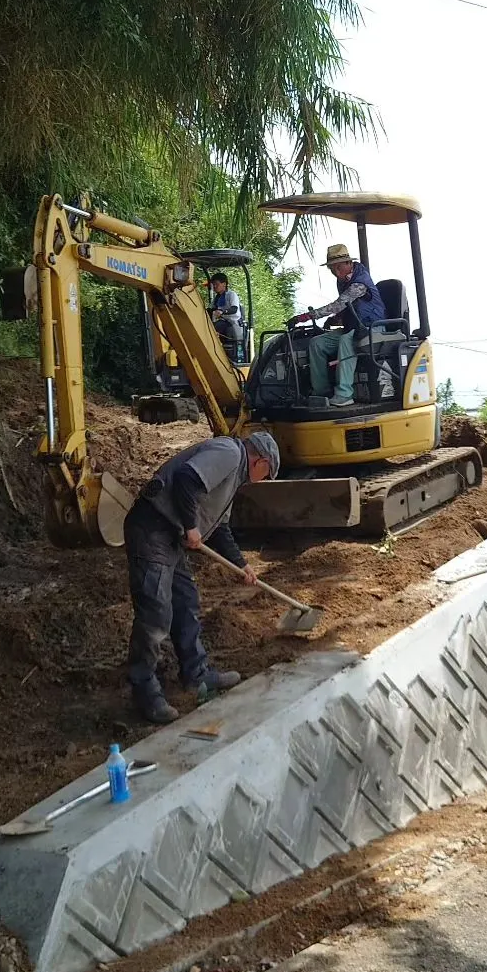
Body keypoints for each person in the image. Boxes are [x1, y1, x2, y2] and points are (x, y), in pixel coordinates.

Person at [123, 431, 281, 724]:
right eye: (267, 474)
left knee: (186, 601)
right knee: (156, 614)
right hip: (153, 527)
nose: (263, 480)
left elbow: (220, 528)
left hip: (170, 534)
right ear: (261, 461)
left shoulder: (233, 479)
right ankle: (145, 692)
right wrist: (191, 525)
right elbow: (186, 479)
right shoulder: (229, 454)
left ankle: (197, 676)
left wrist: (242, 564)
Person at [286, 244, 387, 408]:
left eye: (339, 267)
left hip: (373, 327)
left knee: (346, 340)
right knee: (317, 343)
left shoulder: (360, 282)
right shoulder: (343, 281)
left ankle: (344, 394)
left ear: (348, 263)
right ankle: (322, 391)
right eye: (332, 269)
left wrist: (304, 317)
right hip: (355, 327)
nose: (336, 272)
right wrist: (333, 320)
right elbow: (347, 309)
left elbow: (339, 305)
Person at [208, 272, 244, 363]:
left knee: (212, 328)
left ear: (224, 284)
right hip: (223, 322)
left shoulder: (231, 295)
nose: (215, 287)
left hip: (232, 323)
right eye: (213, 285)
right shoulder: (217, 298)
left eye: (216, 284)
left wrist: (222, 312)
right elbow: (211, 309)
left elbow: (234, 309)